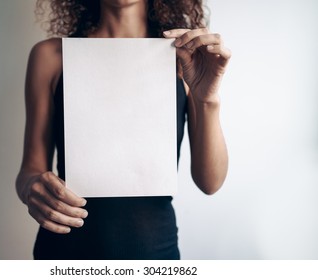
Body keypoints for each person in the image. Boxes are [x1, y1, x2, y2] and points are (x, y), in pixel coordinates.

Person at [16, 0, 230, 260]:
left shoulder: (184, 58)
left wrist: (208, 99)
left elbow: (211, 182)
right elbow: (30, 169)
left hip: (153, 254)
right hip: (65, 252)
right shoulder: (50, 56)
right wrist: (32, 189)